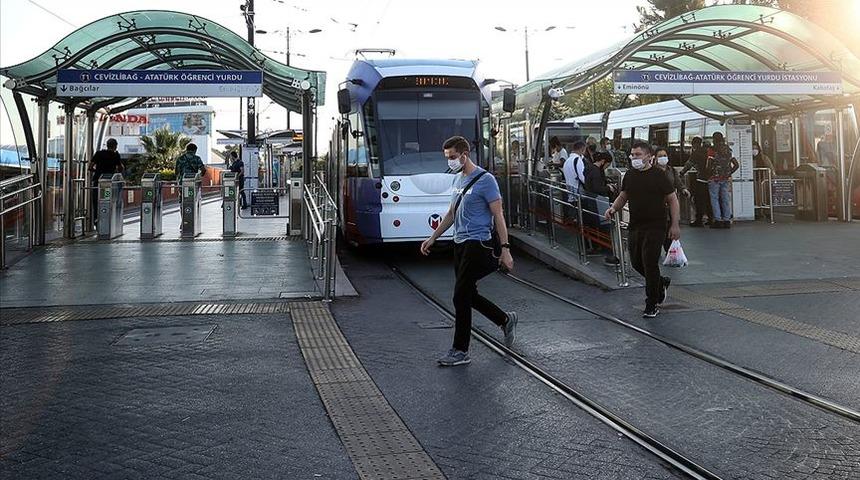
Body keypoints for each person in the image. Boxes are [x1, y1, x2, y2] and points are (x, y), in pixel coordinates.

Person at [420, 136, 517, 367]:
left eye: (453, 157)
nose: (450, 161)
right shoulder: (457, 180)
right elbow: (452, 213)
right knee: (468, 294)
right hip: (460, 244)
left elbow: (498, 215)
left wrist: (505, 249)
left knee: (460, 295)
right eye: (447, 158)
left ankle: (460, 350)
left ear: (465, 154)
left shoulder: (486, 180)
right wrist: (433, 237)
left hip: (478, 243)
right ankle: (504, 319)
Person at [605, 141, 680, 318]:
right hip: (636, 224)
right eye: (632, 155)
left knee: (650, 262)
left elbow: (673, 199)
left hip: (656, 225)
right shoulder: (630, 175)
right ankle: (660, 282)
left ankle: (652, 302)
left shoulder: (659, 175)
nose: (634, 158)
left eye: (638, 155)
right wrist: (613, 208)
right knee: (636, 262)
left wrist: (675, 224)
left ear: (648, 156)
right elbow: (624, 195)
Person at [584, 151, 620, 265]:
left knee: (595, 227)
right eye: (607, 164)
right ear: (603, 162)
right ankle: (609, 255)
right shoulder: (596, 172)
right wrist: (608, 188)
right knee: (605, 228)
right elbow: (597, 188)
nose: (607, 167)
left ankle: (596, 248)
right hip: (599, 202)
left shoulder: (589, 168)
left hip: (591, 202)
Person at [654, 147, 689, 252]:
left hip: (670, 204)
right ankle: (656, 249)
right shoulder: (652, 171)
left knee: (669, 226)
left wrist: (683, 190)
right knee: (658, 228)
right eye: (660, 156)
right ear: (655, 158)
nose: (662, 158)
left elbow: (678, 183)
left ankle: (669, 250)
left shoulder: (671, 170)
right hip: (657, 204)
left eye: (664, 156)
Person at [706, 132, 739, 229]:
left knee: (714, 199)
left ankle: (718, 220)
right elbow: (736, 165)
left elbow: (709, 165)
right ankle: (727, 220)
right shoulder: (729, 150)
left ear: (714, 139)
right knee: (725, 199)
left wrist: (709, 174)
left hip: (714, 178)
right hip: (725, 178)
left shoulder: (712, 150)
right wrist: (728, 173)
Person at [89, 138, 123, 225]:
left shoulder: (99, 153)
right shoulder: (115, 155)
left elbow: (90, 167)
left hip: (98, 181)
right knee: (108, 200)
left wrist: (97, 172)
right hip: (110, 182)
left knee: (97, 201)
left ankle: (97, 220)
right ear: (115, 146)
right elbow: (120, 168)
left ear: (107, 145)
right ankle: (108, 220)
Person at [680, 137, 712, 227]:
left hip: (701, 179)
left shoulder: (696, 152)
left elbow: (688, 165)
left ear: (694, 144)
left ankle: (699, 220)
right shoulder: (706, 151)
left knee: (699, 200)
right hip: (710, 179)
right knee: (708, 200)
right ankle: (711, 218)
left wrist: (682, 173)